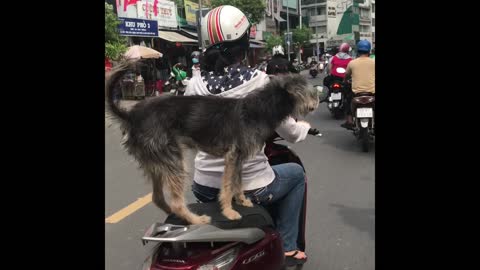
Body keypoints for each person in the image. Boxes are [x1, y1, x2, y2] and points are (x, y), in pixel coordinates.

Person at [185, 5, 313, 266]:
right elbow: (289, 132)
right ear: (244, 43)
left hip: (203, 186)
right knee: (296, 175)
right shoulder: (259, 81)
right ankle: (288, 246)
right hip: (251, 186)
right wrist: (305, 128)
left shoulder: (193, 83)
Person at [341, 40, 375, 129]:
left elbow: (346, 76)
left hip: (356, 93)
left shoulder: (352, 62)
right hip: (372, 93)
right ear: (369, 51)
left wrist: (345, 81)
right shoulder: (373, 62)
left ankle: (349, 120)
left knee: (348, 100)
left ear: (357, 51)